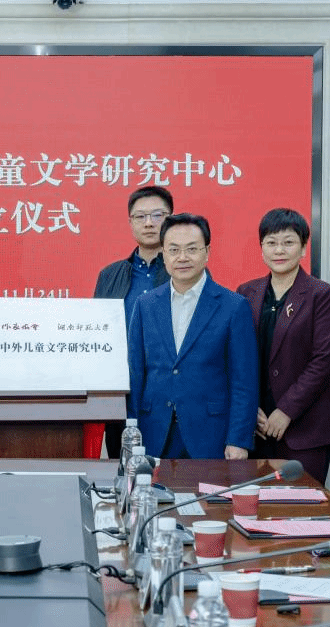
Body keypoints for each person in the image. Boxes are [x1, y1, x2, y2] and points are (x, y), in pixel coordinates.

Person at [127, 213, 257, 460]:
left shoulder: (233, 306)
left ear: (207, 252)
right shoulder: (145, 305)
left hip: (211, 435)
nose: (182, 257)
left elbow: (244, 381)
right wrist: (132, 433)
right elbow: (136, 373)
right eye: (174, 250)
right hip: (154, 432)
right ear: (163, 253)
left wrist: (238, 439)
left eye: (192, 249)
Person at [235, 209, 330, 482]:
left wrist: (286, 411)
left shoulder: (322, 294)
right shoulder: (246, 293)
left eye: (288, 242)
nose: (279, 250)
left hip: (305, 427)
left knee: (300, 503)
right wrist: (250, 410)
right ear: (261, 249)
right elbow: (237, 358)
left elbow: (323, 360)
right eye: (271, 242)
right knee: (254, 502)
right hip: (256, 427)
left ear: (303, 248)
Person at [95, 185, 173, 457]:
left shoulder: (186, 271)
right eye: (140, 217)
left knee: (171, 473)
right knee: (123, 469)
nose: (149, 223)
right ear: (130, 223)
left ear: (170, 220)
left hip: (169, 393)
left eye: (157, 215)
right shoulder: (110, 275)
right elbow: (97, 333)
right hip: (122, 394)